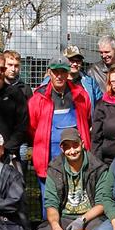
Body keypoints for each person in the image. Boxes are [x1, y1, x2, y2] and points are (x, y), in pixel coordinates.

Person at [28, 56, 92, 192]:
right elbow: (33, 128)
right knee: (50, 203)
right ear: (49, 72)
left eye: (63, 72)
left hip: (77, 160)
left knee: (76, 203)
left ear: (68, 73)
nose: (59, 76)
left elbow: (87, 119)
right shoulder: (39, 97)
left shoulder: (80, 95)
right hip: (48, 161)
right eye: (56, 72)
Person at [35, 126, 106, 230]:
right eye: (67, 147)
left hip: (90, 218)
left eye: (75, 145)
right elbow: (51, 203)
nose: (72, 151)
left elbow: (102, 203)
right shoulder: (54, 169)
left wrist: (81, 220)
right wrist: (55, 226)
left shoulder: (97, 168)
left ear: (82, 144)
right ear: (62, 149)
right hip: (64, 217)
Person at [64, 45, 102, 109]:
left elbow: (100, 103)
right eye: (71, 60)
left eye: (78, 61)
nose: (75, 64)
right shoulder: (56, 81)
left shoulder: (90, 82)